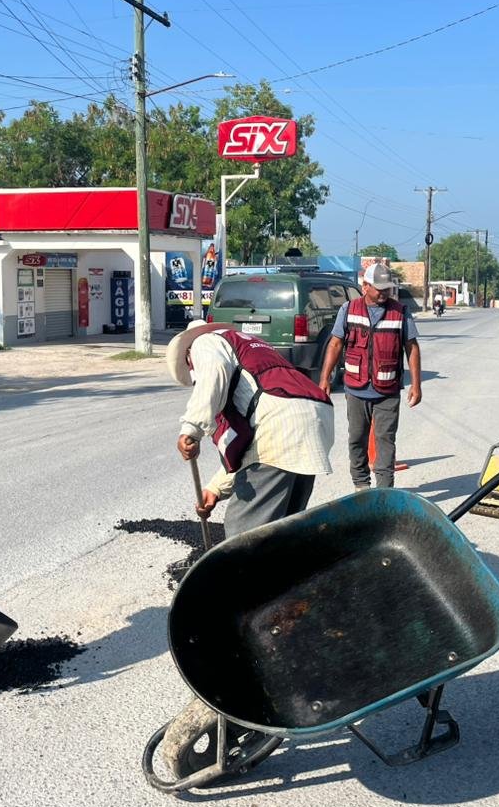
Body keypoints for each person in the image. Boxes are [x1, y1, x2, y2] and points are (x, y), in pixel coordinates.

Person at [157, 319, 335, 778]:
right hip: (309, 422)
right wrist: (216, 488)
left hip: (285, 428)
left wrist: (190, 426)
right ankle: (276, 626)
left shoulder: (211, 345)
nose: (194, 375)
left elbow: (214, 382)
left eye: (189, 369)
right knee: (273, 545)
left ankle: (247, 650)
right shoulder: (257, 356)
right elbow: (250, 448)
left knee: (239, 556)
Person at [167, 319, 335, 537]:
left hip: (281, 424)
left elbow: (213, 370)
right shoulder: (250, 346)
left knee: (243, 533)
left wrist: (192, 428)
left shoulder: (203, 342)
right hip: (313, 417)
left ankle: (243, 572)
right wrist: (215, 489)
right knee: (285, 527)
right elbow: (246, 452)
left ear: (188, 355)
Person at [318, 262, 422, 489]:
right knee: (357, 439)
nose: (384, 293)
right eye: (379, 288)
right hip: (356, 389)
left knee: (386, 441)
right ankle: (361, 485)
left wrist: (416, 384)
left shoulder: (401, 312)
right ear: (365, 286)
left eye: (387, 288)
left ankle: (384, 491)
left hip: (388, 390)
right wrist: (325, 378)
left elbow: (412, 348)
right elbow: (335, 344)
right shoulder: (348, 309)